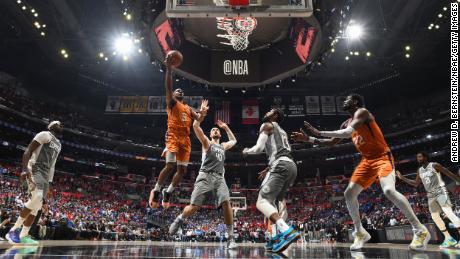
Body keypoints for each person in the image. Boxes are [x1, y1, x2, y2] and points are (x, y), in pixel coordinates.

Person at [291, 94, 430, 251]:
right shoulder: (345, 123)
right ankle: (360, 232)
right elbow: (331, 143)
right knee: (349, 194)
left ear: (355, 102)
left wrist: (318, 132)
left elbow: (347, 132)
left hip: (382, 157)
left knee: (389, 190)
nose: (344, 101)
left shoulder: (363, 113)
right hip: (366, 161)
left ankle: (420, 230)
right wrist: (308, 140)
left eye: (347, 99)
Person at [168, 103, 238, 249]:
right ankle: (180, 219)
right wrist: (202, 116)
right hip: (205, 176)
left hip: (219, 178)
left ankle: (231, 238)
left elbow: (234, 141)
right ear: (211, 134)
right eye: (213, 129)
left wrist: (225, 127)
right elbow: (195, 127)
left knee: (226, 203)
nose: (215, 130)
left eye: (217, 129)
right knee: (194, 207)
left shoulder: (223, 146)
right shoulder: (206, 142)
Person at [149, 52, 208, 209]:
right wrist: (169, 69)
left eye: (182, 91)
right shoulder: (172, 103)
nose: (180, 91)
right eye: (177, 91)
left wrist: (202, 113)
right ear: (173, 95)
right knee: (170, 166)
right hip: (173, 136)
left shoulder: (188, 108)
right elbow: (168, 86)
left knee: (182, 170)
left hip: (185, 139)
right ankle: (156, 190)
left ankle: (168, 192)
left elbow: (199, 121)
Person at [242, 108, 300, 253]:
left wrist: (247, 150)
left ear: (275, 115)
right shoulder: (282, 131)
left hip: (280, 166)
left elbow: (259, 148)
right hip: (291, 166)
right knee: (273, 203)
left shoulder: (267, 125)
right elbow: (282, 152)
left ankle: (286, 231)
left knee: (262, 201)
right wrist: (268, 169)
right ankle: (275, 238)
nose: (266, 112)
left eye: (270, 111)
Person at [6, 121, 63, 245]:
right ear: (51, 126)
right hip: (35, 168)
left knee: (37, 208)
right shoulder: (44, 134)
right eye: (58, 123)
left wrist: (50, 181)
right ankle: (13, 230)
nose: (61, 124)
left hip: (46, 174)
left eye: (61, 124)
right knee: (37, 197)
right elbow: (28, 151)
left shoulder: (59, 144)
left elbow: (52, 165)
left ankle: (24, 234)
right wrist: (24, 169)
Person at [396, 152, 460, 248]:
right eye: (417, 157)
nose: (418, 158)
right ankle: (448, 238)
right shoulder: (420, 170)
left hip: (440, 191)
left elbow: (449, 173)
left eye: (420, 156)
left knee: (449, 213)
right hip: (430, 195)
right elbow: (416, 183)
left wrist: (458, 181)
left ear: (425, 157)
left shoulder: (434, 165)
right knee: (435, 217)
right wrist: (402, 178)